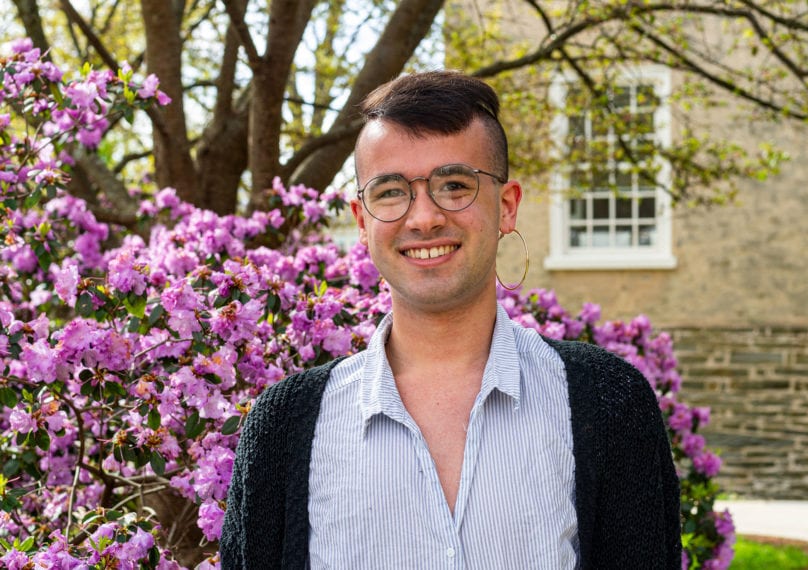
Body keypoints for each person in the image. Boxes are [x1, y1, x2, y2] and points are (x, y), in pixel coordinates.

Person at [220, 70, 681, 569]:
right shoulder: (283, 427)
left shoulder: (608, 403)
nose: (424, 218)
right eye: (391, 191)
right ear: (361, 220)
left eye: (454, 184)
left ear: (506, 207)